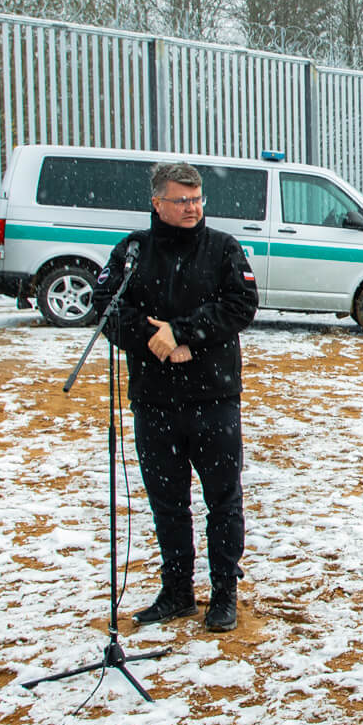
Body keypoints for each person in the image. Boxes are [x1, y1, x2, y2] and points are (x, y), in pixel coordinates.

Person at [94, 161, 260, 633]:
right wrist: (156, 341)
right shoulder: (131, 252)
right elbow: (106, 306)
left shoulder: (223, 249)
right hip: (155, 399)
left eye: (197, 199)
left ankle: (224, 591)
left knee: (223, 500)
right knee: (167, 502)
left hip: (213, 398)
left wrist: (184, 332)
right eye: (181, 200)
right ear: (157, 203)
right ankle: (177, 590)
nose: (191, 208)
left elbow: (241, 304)